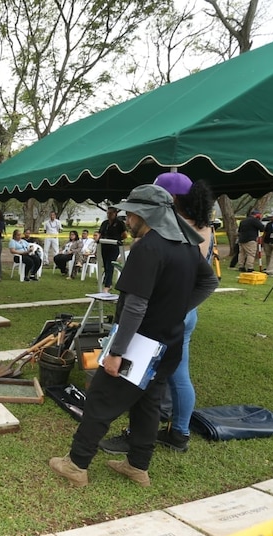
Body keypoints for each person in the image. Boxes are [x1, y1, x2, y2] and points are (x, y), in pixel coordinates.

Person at [48, 184, 218, 488]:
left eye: (132, 213)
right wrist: (176, 309)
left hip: (138, 344)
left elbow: (136, 306)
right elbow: (209, 282)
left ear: (147, 214)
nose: (127, 218)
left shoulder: (149, 248)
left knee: (100, 400)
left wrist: (116, 352)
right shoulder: (186, 245)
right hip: (168, 344)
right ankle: (138, 466)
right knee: (148, 405)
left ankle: (76, 464)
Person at [99, 172, 216, 455]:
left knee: (149, 377)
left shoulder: (176, 231)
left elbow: (185, 276)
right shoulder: (200, 227)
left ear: (169, 199)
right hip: (176, 309)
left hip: (164, 311)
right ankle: (174, 432)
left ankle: (147, 435)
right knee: (167, 377)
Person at [94, 205, 128, 293]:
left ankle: (107, 285)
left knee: (110, 265)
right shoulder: (105, 223)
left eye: (111, 213)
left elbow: (125, 235)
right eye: (108, 213)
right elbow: (100, 233)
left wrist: (118, 239)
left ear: (115, 213)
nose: (109, 215)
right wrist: (97, 237)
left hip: (114, 247)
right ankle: (107, 282)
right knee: (105, 265)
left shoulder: (119, 223)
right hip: (104, 246)